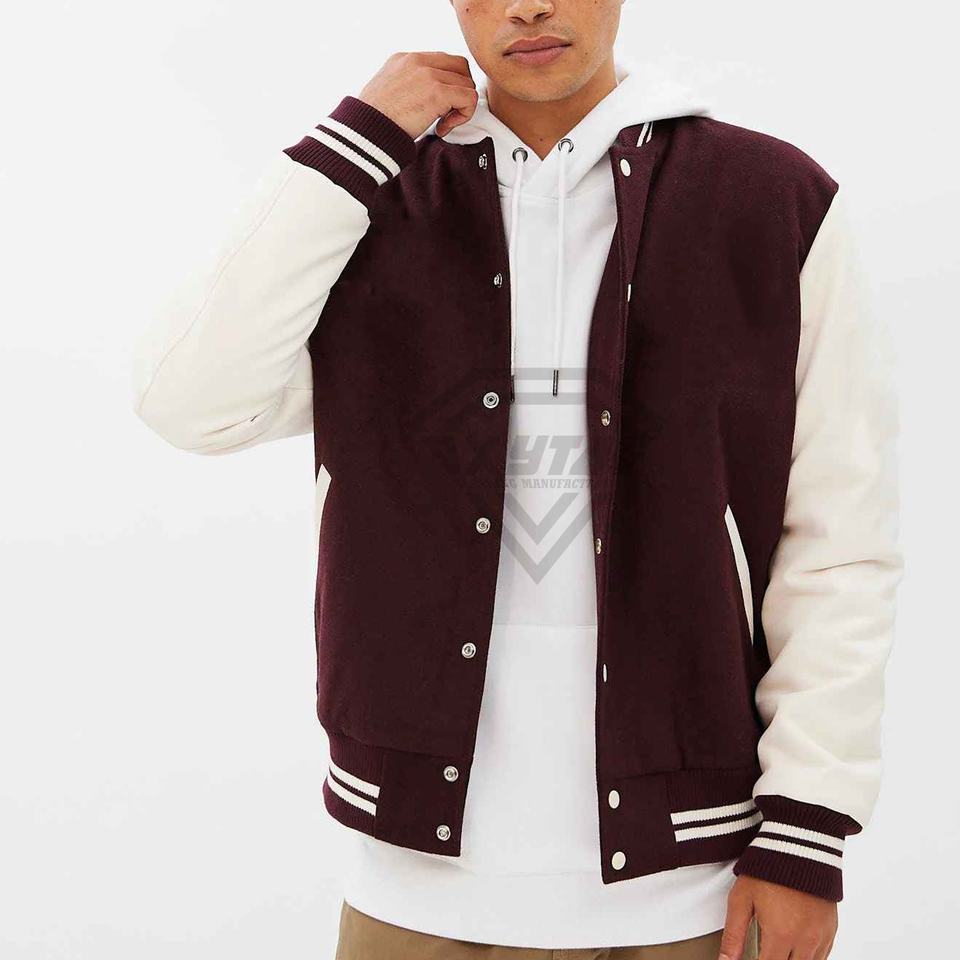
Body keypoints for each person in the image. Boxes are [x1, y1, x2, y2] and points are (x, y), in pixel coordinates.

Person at [132, 2, 903, 958]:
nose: (528, 4)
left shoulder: (769, 199)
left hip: (692, 889)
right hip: (415, 890)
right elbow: (189, 403)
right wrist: (352, 146)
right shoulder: (376, 198)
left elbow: (838, 539)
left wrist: (806, 831)